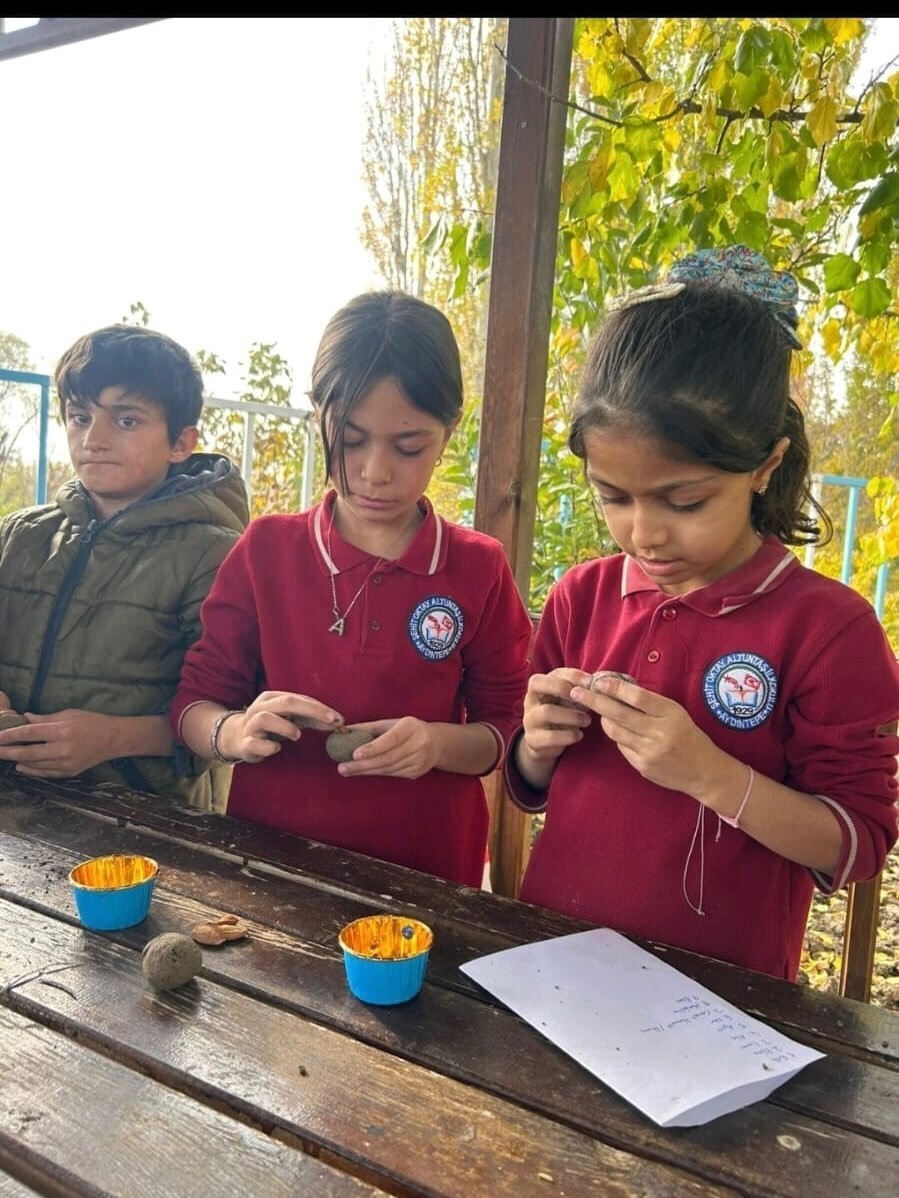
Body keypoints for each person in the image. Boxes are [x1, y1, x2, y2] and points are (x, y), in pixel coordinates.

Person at [505, 246, 899, 981]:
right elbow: (527, 786)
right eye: (612, 497)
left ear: (764, 465)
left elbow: (858, 841)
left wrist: (709, 774)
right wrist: (536, 742)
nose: (644, 534)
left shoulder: (825, 629)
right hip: (555, 969)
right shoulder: (581, 598)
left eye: (683, 502)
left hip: (725, 1003)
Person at [172, 290, 532, 886]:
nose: (374, 472)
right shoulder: (267, 550)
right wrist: (233, 732)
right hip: (273, 866)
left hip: (428, 877)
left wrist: (437, 745)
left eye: (408, 446)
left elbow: (505, 732)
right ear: (319, 414)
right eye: (352, 439)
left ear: (449, 432)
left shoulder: (477, 567)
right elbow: (191, 705)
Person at [0, 324, 249, 810]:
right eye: (79, 416)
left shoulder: (217, 555)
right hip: (13, 818)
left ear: (180, 442)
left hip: (144, 824)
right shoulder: (19, 535)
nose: (94, 438)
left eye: (127, 421)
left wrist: (112, 738)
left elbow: (232, 717)